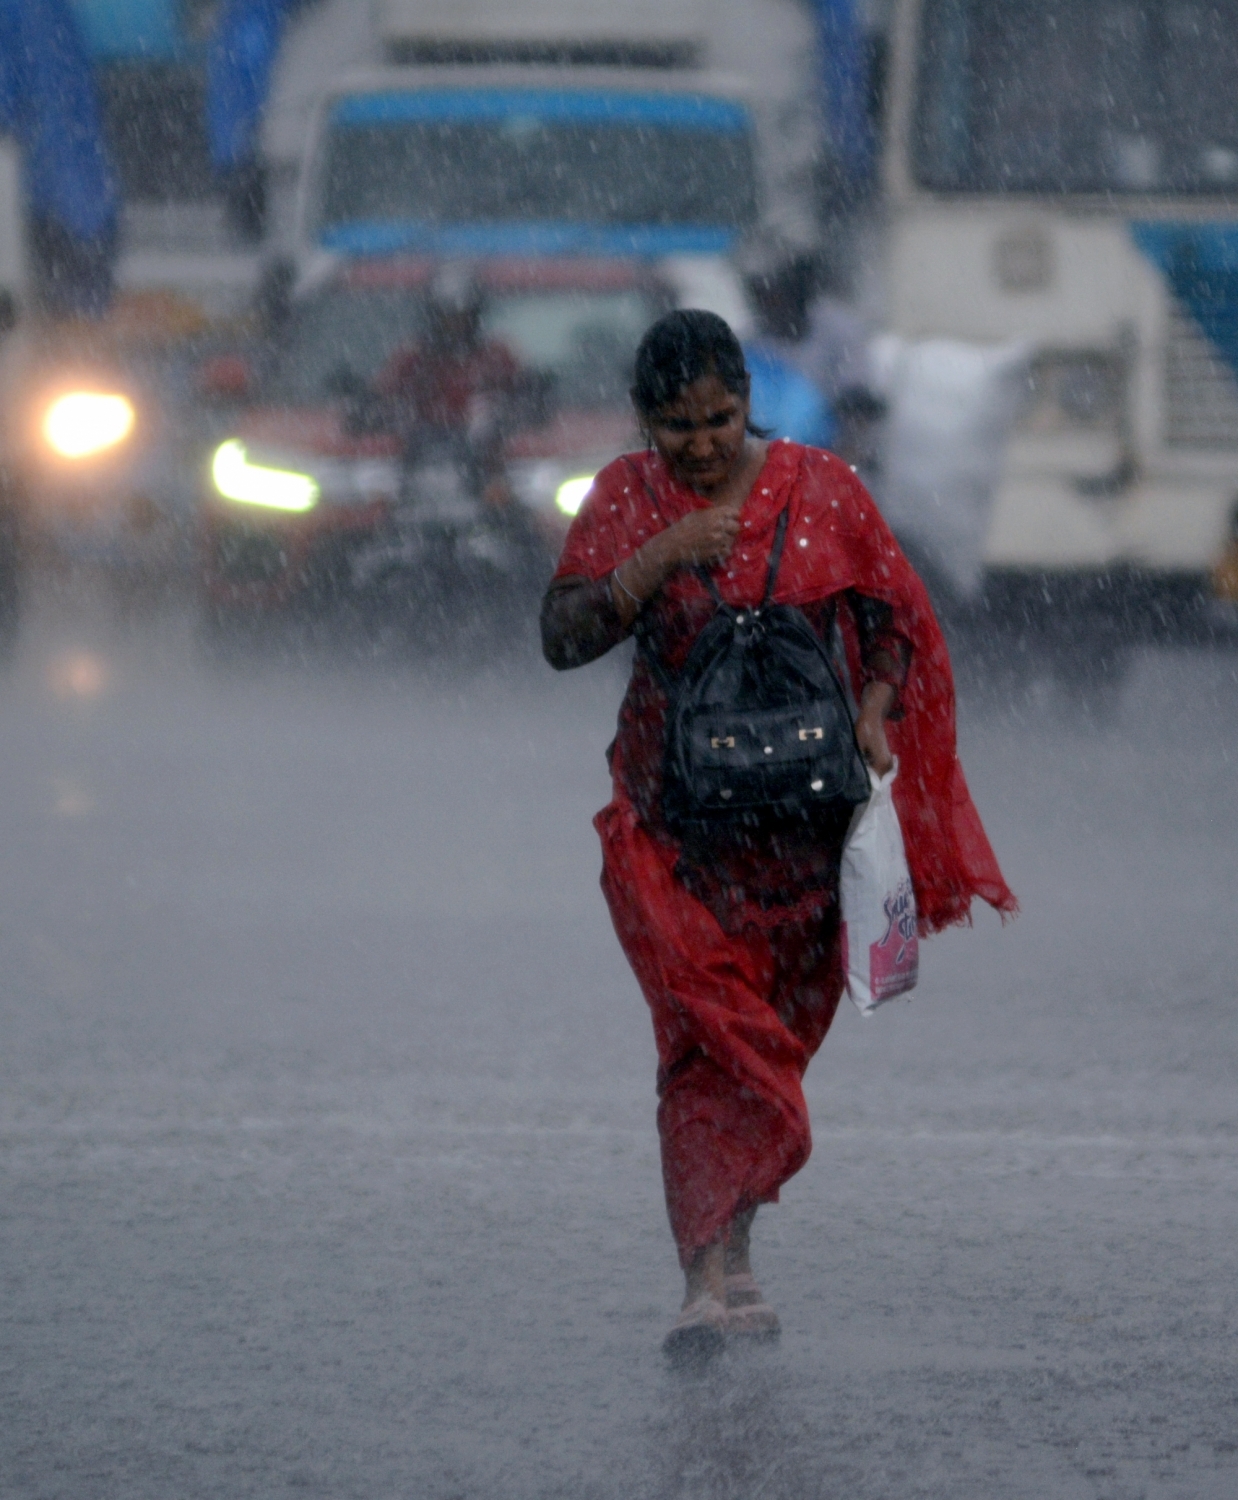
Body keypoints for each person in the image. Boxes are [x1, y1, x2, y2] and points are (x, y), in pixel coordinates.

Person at [540, 310, 1015, 1361]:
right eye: (676, 428)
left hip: (801, 838)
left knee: (770, 1043)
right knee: (705, 1040)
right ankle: (699, 1279)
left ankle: (737, 1250)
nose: (702, 445)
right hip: (671, 829)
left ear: (748, 402)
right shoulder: (623, 499)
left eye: (720, 418)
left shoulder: (822, 488)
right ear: (642, 424)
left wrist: (875, 706)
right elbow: (561, 634)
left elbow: (891, 612)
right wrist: (657, 556)